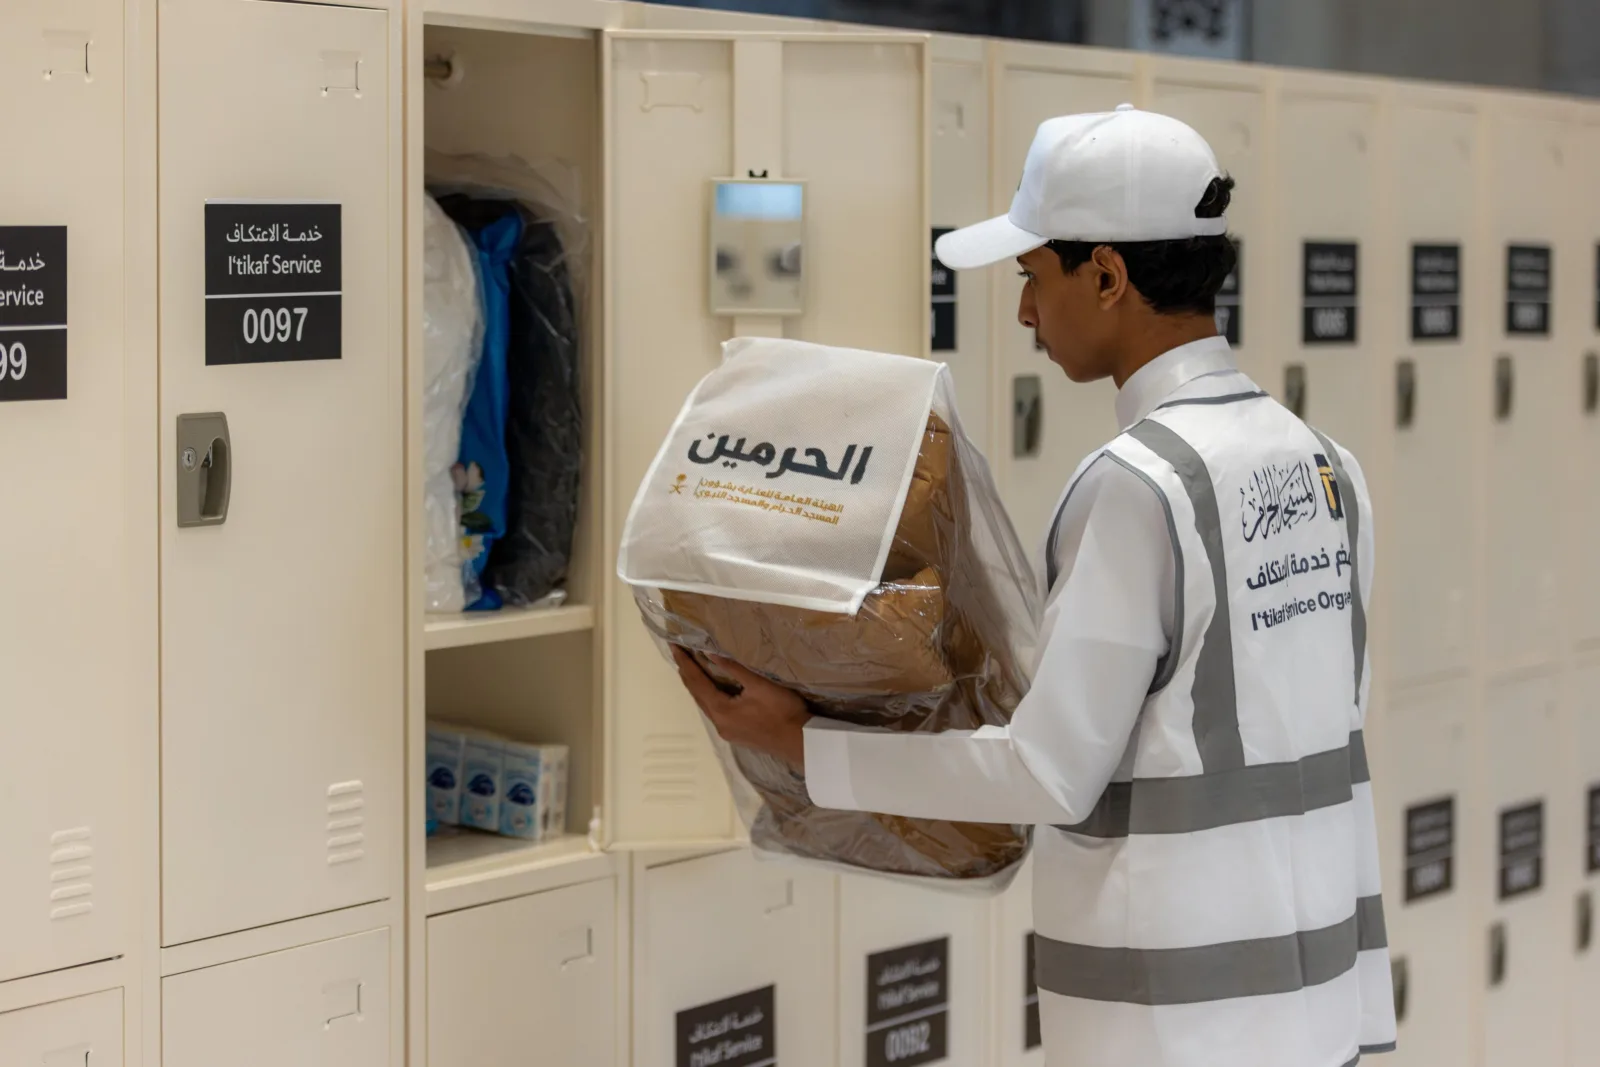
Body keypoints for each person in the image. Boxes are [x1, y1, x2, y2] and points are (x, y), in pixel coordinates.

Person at [671, 105, 1396, 1067]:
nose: (1022, 314)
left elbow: (1047, 772)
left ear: (1106, 274)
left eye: (1031, 277)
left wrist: (804, 746)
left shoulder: (1141, 488)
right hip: (1313, 1000)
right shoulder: (1325, 465)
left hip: (1176, 1020)